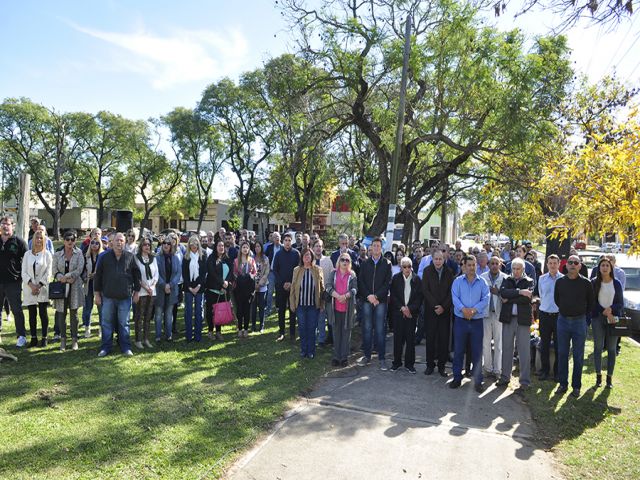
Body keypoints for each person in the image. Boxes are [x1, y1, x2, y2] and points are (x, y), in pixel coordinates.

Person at [94, 232, 141, 357]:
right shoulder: (104, 257)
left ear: (124, 242)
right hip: (108, 296)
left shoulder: (130, 257)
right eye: (117, 240)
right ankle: (105, 347)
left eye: (121, 240)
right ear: (112, 242)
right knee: (106, 323)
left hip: (125, 297)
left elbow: (137, 276)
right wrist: (97, 294)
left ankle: (125, 347)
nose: (119, 242)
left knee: (124, 323)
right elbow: (98, 276)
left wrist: (137, 292)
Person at [554, 254, 594, 397]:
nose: (572, 265)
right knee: (562, 354)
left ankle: (576, 387)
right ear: (566, 265)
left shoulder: (586, 283)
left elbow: (591, 304)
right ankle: (562, 384)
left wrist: (583, 318)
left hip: (579, 322)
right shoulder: (560, 282)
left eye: (575, 263)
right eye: (570, 262)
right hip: (563, 321)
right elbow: (557, 300)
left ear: (580, 266)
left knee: (578, 355)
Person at [450, 255, 490, 392]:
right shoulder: (457, 282)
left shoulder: (483, 282)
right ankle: (456, 378)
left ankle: (478, 380)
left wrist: (473, 310)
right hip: (461, 321)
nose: (472, 268)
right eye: (469, 265)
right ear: (464, 266)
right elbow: (454, 297)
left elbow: (486, 299)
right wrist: (463, 309)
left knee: (477, 352)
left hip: (476, 322)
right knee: (459, 350)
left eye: (474, 265)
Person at [495, 258, 534, 390]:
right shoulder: (507, 280)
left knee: (524, 351)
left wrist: (511, 297)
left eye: (518, 269)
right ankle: (505, 377)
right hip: (508, 318)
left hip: (522, 319)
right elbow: (503, 292)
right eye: (514, 268)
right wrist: (520, 292)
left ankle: (524, 381)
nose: (516, 271)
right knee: (506, 348)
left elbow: (525, 299)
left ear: (523, 270)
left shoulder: (529, 281)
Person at [357, 237, 392, 370]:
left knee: (380, 329)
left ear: (381, 247)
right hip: (367, 300)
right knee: (366, 328)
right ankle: (367, 356)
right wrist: (369, 296)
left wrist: (377, 296)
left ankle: (382, 358)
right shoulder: (365, 263)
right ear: (371, 248)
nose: (376, 248)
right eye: (374, 246)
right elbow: (361, 282)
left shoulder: (387, 263)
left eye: (378, 246)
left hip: (380, 301)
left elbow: (387, 283)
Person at [590, 257, 623, 389]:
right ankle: (598, 377)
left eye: (607, 265)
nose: (604, 267)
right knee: (598, 347)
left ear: (611, 268)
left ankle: (609, 379)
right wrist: (604, 311)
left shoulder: (616, 283)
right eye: (602, 265)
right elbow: (592, 302)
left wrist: (611, 311)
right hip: (598, 318)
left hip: (613, 319)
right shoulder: (594, 282)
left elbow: (620, 303)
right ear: (599, 268)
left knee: (611, 349)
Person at [422, 250, 454, 376]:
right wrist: (436, 306)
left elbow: (451, 293)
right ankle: (430, 365)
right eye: (436, 259)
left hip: (444, 312)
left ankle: (441, 367)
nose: (438, 261)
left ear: (444, 259)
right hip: (431, 311)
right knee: (430, 339)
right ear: (432, 259)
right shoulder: (427, 271)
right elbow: (425, 290)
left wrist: (443, 307)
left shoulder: (449, 272)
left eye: (440, 259)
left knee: (443, 340)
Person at [52, 230, 85, 352]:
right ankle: (63, 340)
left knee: (74, 314)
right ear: (63, 240)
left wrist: (70, 276)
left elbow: (80, 268)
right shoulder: (57, 254)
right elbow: (54, 269)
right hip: (61, 287)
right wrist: (61, 277)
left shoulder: (79, 253)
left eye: (73, 239)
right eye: (68, 239)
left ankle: (74, 339)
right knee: (61, 314)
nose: (70, 241)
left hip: (74, 286)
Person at [389, 257, 423, 373]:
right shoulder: (396, 278)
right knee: (398, 339)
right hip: (399, 313)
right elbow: (393, 296)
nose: (407, 269)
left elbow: (419, 298)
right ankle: (397, 362)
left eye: (409, 266)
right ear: (401, 268)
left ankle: (409, 364)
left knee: (410, 340)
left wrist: (410, 309)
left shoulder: (417, 279)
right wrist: (402, 308)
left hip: (411, 315)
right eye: (404, 267)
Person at [289, 248, 325, 358]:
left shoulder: (318, 270)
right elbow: (293, 288)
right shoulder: (297, 270)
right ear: (302, 257)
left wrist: (322, 304)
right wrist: (292, 303)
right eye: (305, 255)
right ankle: (303, 350)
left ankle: (311, 351)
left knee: (312, 328)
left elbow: (322, 288)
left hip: (313, 306)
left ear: (312, 257)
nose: (307, 257)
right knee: (302, 328)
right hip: (300, 305)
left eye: (309, 255)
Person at [0, 216, 28, 347]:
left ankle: (21, 336)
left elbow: (27, 260)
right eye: (3, 224)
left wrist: (22, 276)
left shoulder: (19, 242)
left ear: (13, 226)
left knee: (16, 309)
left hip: (14, 282)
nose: (5, 226)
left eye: (8, 224)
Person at [325, 252, 358, 367]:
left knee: (346, 333)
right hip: (335, 308)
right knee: (336, 333)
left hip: (347, 309)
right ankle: (336, 357)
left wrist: (346, 296)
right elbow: (328, 286)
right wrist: (337, 296)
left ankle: (344, 358)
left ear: (350, 262)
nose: (345, 262)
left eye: (347, 260)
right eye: (343, 259)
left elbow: (355, 289)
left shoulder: (352, 275)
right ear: (339, 261)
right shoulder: (333, 273)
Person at [21, 228, 52, 347]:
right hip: (29, 288)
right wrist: (31, 285)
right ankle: (33, 337)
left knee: (43, 313)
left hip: (42, 288)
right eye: (37, 238)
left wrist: (39, 285)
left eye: (41, 238)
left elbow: (48, 273)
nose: (38, 240)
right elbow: (23, 272)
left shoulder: (47, 255)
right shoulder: (27, 254)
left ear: (44, 240)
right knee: (32, 313)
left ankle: (44, 337)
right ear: (33, 240)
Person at [535, 254, 563, 381]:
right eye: (550, 263)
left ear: (558, 264)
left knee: (558, 345)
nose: (552, 265)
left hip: (558, 316)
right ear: (547, 264)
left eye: (554, 263)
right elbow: (540, 294)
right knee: (544, 344)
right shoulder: (541, 279)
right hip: (544, 315)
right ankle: (544, 370)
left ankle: (557, 372)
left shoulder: (563, 279)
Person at [480, 256, 507, 379]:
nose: (495, 265)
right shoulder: (483, 277)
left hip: (498, 314)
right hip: (486, 314)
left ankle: (497, 370)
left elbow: (508, 295)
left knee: (498, 343)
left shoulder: (505, 278)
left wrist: (498, 293)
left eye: (497, 263)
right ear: (488, 265)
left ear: (500, 265)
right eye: (492, 263)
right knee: (485, 342)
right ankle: (487, 368)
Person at [273, 233, 301, 341]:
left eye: (289, 240)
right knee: (281, 310)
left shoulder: (296, 253)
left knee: (293, 310)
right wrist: (283, 283)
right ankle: (281, 332)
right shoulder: (278, 254)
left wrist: (291, 283)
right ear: (283, 241)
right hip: (281, 287)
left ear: (291, 241)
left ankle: (292, 333)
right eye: (286, 240)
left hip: (293, 287)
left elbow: (298, 270)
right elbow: (275, 270)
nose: (288, 242)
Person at [205, 240, 235, 340]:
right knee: (210, 311)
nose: (221, 247)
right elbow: (212, 273)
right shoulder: (211, 258)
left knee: (219, 311)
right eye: (219, 245)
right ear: (215, 247)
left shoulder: (227, 259)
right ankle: (210, 331)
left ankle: (218, 332)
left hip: (223, 290)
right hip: (212, 289)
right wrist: (222, 283)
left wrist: (226, 283)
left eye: (222, 246)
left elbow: (231, 272)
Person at [155, 236, 181, 342]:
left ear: (172, 245)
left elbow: (178, 273)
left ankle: (168, 334)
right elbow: (156, 273)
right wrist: (163, 285)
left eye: (168, 243)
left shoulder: (176, 257)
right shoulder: (157, 257)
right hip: (160, 289)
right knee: (158, 313)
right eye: (164, 243)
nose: (166, 245)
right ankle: (158, 335)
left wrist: (170, 285)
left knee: (169, 314)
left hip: (172, 289)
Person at [134, 237, 158, 348]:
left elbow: (156, 275)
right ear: (141, 246)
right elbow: (137, 276)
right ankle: (138, 340)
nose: (147, 246)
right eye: (144, 244)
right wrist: (145, 287)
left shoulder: (154, 258)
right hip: (141, 290)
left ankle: (146, 339)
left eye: (148, 244)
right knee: (139, 316)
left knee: (148, 316)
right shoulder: (137, 258)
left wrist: (152, 287)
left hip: (152, 291)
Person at [183, 236, 207, 342]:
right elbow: (184, 273)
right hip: (188, 287)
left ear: (198, 245)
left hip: (199, 287)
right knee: (188, 311)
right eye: (192, 244)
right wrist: (189, 287)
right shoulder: (186, 257)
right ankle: (188, 336)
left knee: (198, 311)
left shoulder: (203, 256)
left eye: (196, 244)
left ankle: (198, 336)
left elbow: (203, 273)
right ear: (189, 245)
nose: (194, 246)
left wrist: (198, 286)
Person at [313, 239, 335, 346]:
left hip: (326, 294)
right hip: (313, 294)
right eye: (316, 246)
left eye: (320, 246)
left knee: (326, 317)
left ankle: (326, 338)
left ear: (323, 248)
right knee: (317, 317)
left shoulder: (328, 260)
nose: (318, 248)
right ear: (313, 248)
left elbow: (332, 277)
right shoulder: (310, 261)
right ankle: (317, 338)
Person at [234, 240, 257, 338]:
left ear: (249, 249)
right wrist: (239, 278)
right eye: (243, 247)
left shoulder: (252, 260)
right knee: (239, 310)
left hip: (248, 288)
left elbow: (255, 272)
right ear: (240, 249)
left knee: (247, 310)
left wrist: (250, 276)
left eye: (247, 248)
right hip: (239, 288)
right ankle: (239, 328)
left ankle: (246, 329)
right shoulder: (236, 261)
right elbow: (234, 273)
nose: (245, 249)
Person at [82, 234, 104, 339]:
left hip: (100, 285)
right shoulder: (86, 256)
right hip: (89, 284)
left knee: (101, 308)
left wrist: (96, 274)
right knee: (88, 307)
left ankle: (101, 329)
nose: (94, 245)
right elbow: (82, 270)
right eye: (92, 243)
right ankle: (87, 328)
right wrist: (85, 277)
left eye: (97, 243)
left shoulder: (103, 256)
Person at [251, 241, 270, 333]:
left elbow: (266, 273)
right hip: (253, 287)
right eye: (255, 246)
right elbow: (250, 273)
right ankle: (253, 326)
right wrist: (254, 285)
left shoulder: (265, 259)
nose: (257, 248)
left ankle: (261, 326)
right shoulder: (251, 259)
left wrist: (260, 284)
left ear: (261, 248)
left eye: (258, 246)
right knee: (253, 307)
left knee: (262, 307)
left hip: (262, 286)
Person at [264, 232, 282, 316]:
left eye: (278, 237)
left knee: (279, 291)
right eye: (275, 237)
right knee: (270, 291)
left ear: (280, 238)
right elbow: (265, 258)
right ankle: (268, 309)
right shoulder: (269, 247)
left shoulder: (283, 247)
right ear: (272, 239)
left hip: (280, 273)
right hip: (271, 272)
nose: (276, 238)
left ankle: (279, 308)